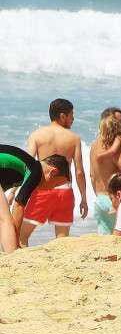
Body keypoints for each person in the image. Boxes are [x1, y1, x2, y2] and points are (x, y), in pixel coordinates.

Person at [24, 98, 88, 237]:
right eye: (71, 115)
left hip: (43, 190)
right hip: (65, 192)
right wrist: (84, 198)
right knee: (62, 241)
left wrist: (17, 192)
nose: (73, 119)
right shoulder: (74, 138)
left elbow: (28, 166)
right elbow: (79, 172)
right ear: (62, 116)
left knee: (22, 237)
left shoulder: (37, 135)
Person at [89, 109, 121, 235]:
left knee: (105, 244)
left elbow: (92, 176)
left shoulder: (94, 145)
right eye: (118, 122)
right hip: (116, 201)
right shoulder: (114, 147)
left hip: (100, 200)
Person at [14, 154, 72, 248]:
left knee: (22, 237)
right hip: (66, 191)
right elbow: (18, 205)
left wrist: (13, 191)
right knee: (62, 238)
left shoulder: (36, 140)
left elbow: (30, 154)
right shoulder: (36, 172)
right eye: (55, 184)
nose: (52, 188)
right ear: (53, 172)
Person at [1, 145, 49, 253]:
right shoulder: (36, 170)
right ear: (52, 172)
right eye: (53, 185)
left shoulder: (20, 171)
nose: (49, 189)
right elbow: (19, 204)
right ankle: (12, 255)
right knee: (5, 219)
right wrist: (16, 241)